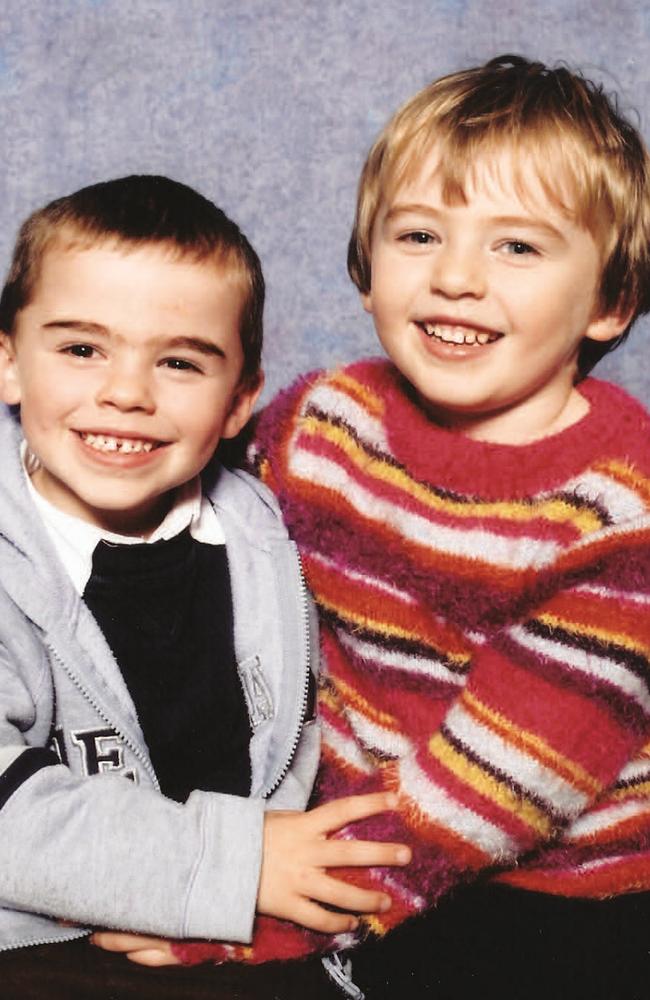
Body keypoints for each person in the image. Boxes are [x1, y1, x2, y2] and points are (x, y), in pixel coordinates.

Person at [97, 56, 650, 998]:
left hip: (546, 883)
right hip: (345, 832)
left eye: (517, 247)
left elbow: (492, 786)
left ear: (608, 302)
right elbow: (188, 544)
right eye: (420, 234)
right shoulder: (325, 422)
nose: (457, 278)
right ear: (365, 269)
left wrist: (248, 910)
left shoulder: (619, 511)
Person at [0, 174, 410, 999]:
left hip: (248, 939)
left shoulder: (268, 529)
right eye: (82, 349)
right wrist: (239, 860)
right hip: (45, 945)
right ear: (8, 363)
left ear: (238, 402)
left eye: (181, 362)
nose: (126, 393)